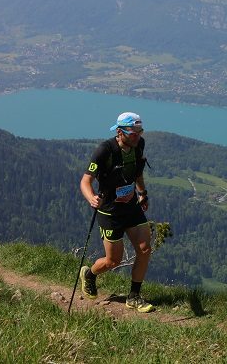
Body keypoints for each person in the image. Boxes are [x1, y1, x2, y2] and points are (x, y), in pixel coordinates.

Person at [78, 111, 155, 313]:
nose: (137, 136)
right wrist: (91, 197)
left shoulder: (139, 145)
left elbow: (137, 172)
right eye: (133, 132)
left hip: (130, 206)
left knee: (145, 249)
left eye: (139, 131)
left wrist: (142, 193)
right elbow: (85, 181)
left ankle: (134, 296)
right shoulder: (105, 150)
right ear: (119, 132)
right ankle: (90, 274)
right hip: (110, 210)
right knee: (113, 261)